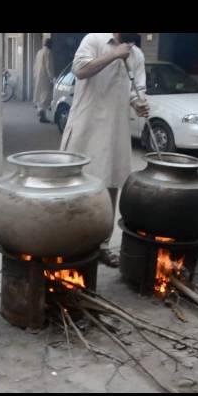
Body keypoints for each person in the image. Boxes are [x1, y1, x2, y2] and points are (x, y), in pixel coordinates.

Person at [60, 33, 149, 267]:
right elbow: (79, 69)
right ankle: (69, 243)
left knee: (110, 188)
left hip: (115, 131)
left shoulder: (137, 54)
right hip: (86, 127)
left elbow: (136, 89)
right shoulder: (94, 39)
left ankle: (102, 246)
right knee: (76, 187)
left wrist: (139, 103)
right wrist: (113, 55)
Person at [33, 38, 55, 123]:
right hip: (45, 77)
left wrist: (34, 75)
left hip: (38, 76)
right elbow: (48, 66)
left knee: (40, 95)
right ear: (49, 44)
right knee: (45, 96)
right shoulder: (48, 52)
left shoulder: (39, 52)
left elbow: (35, 65)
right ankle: (42, 115)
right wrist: (51, 78)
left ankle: (41, 113)